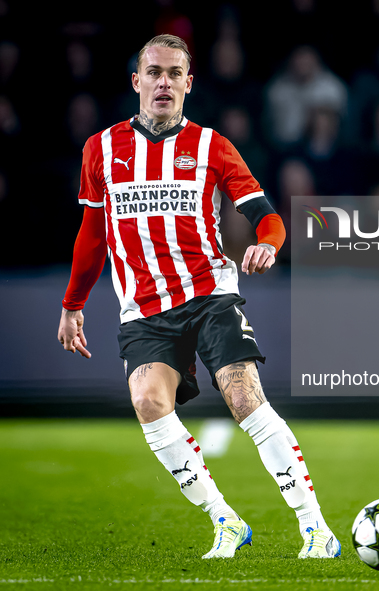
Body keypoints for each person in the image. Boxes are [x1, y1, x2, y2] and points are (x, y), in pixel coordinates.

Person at [57, 34, 340, 561]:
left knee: (243, 398)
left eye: (174, 74)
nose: (163, 82)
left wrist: (269, 244)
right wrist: (73, 305)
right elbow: (92, 234)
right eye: (154, 72)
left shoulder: (212, 145)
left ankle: (315, 528)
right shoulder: (101, 148)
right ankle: (225, 520)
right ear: (136, 81)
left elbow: (266, 215)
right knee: (147, 403)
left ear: (189, 84)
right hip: (144, 308)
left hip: (209, 292)